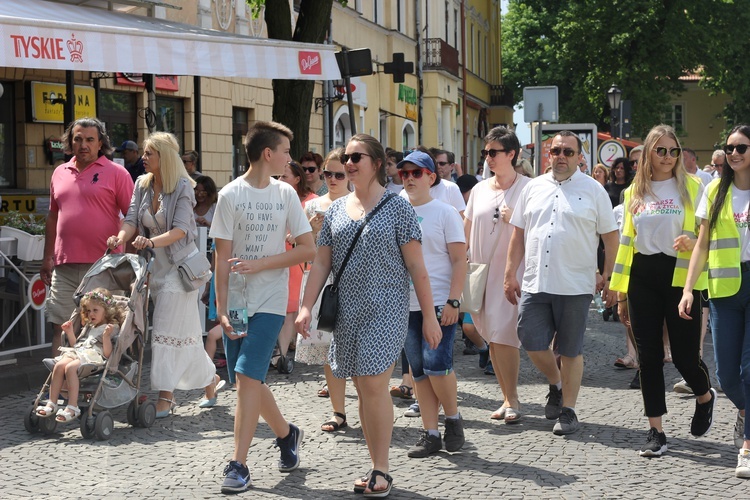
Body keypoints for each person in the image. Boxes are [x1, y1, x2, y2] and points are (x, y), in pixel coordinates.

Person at [296, 134, 441, 497]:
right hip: (347, 311)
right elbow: (322, 263)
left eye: (357, 157)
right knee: (363, 388)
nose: (349, 163)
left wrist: (429, 316)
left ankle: (381, 470)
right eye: (346, 157)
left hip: (387, 309)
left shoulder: (399, 207)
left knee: (374, 384)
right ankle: (376, 461)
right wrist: (305, 307)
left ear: (376, 164)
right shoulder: (337, 210)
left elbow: (417, 267)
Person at [210, 121, 315, 494]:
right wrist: (221, 311)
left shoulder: (285, 194)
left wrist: (262, 264)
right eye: (286, 151)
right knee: (245, 379)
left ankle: (238, 464)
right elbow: (221, 260)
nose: (290, 158)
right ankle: (287, 435)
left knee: (248, 378)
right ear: (267, 154)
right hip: (236, 303)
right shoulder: (230, 195)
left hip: (270, 301)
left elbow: (307, 248)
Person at [504, 130, 619, 435]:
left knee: (570, 350)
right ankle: (555, 383)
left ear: (581, 157)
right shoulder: (533, 188)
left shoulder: (594, 190)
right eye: (556, 151)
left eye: (569, 152)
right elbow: (517, 234)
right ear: (549, 154)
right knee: (530, 339)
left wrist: (609, 278)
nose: (561, 157)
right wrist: (508, 273)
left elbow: (611, 238)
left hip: (575, 284)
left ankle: (568, 410)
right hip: (535, 281)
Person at [610, 124, 715, 457]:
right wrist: (622, 294)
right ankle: (656, 431)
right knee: (649, 358)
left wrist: (694, 242)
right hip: (642, 277)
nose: (669, 157)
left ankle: (704, 395)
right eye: (661, 151)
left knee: (685, 356)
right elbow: (626, 246)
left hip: (681, 276)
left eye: (674, 151)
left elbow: (710, 237)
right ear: (649, 154)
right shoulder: (633, 194)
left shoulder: (696, 187)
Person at [107, 132, 217, 419]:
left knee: (166, 333)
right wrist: (119, 237)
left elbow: (181, 229)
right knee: (186, 335)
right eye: (144, 153)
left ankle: (165, 398)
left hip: (180, 271)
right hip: (154, 270)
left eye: (149, 153)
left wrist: (152, 242)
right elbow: (131, 219)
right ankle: (210, 381)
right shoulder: (142, 184)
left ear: (164, 157)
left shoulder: (183, 186)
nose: (143, 158)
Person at [678, 124, 750, 478]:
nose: (734, 153)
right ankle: (745, 410)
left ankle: (748, 449)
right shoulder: (715, 192)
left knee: (749, 370)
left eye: (742, 147)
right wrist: (689, 288)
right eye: (730, 147)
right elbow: (702, 244)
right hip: (724, 289)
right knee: (726, 374)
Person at [42, 117, 134, 357]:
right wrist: (46, 258)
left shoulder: (117, 173)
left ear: (100, 143)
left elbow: (133, 218)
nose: (83, 144)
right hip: (65, 266)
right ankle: (61, 386)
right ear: (70, 142)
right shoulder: (59, 172)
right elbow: (52, 217)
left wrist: (133, 266)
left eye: (90, 140)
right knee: (61, 326)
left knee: (107, 328)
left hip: (105, 267)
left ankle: (109, 388)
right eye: (78, 139)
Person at [399, 150, 467, 458]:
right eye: (405, 174)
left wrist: (454, 300)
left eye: (416, 173)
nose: (410, 178)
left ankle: (452, 418)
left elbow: (459, 260)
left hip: (440, 301)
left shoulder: (445, 211)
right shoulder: (395, 209)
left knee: (437, 366)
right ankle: (430, 433)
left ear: (431, 177)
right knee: (419, 372)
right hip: (404, 303)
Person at [466, 126, 532, 422]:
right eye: (486, 152)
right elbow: (467, 229)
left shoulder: (528, 188)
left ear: (512, 154)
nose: (489, 158)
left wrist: (514, 218)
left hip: (511, 272)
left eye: (494, 152)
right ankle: (506, 397)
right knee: (492, 335)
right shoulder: (479, 189)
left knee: (506, 335)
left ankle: (513, 398)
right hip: (480, 272)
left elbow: (539, 230)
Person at [294, 148, 352, 431]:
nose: (331, 179)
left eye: (338, 174)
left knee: (355, 348)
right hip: (321, 283)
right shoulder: (313, 207)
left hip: (353, 282)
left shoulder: (359, 204)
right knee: (329, 349)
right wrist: (311, 230)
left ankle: (369, 406)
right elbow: (303, 254)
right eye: (327, 173)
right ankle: (338, 412)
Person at [35, 288, 123, 423]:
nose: (91, 314)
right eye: (88, 310)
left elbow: (107, 354)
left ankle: (72, 406)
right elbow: (77, 345)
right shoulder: (89, 326)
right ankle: (52, 403)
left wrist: (106, 337)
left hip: (95, 356)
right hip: (80, 352)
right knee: (59, 366)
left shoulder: (112, 327)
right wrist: (70, 332)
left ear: (106, 310)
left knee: (70, 368)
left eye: (95, 310)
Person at [279, 160, 318, 369]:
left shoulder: (312, 202)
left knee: (294, 305)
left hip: (301, 259)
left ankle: (286, 352)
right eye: (279, 176)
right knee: (287, 307)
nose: (280, 180)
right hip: (282, 256)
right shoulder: (277, 198)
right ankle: (282, 354)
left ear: (297, 179)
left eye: (285, 177)